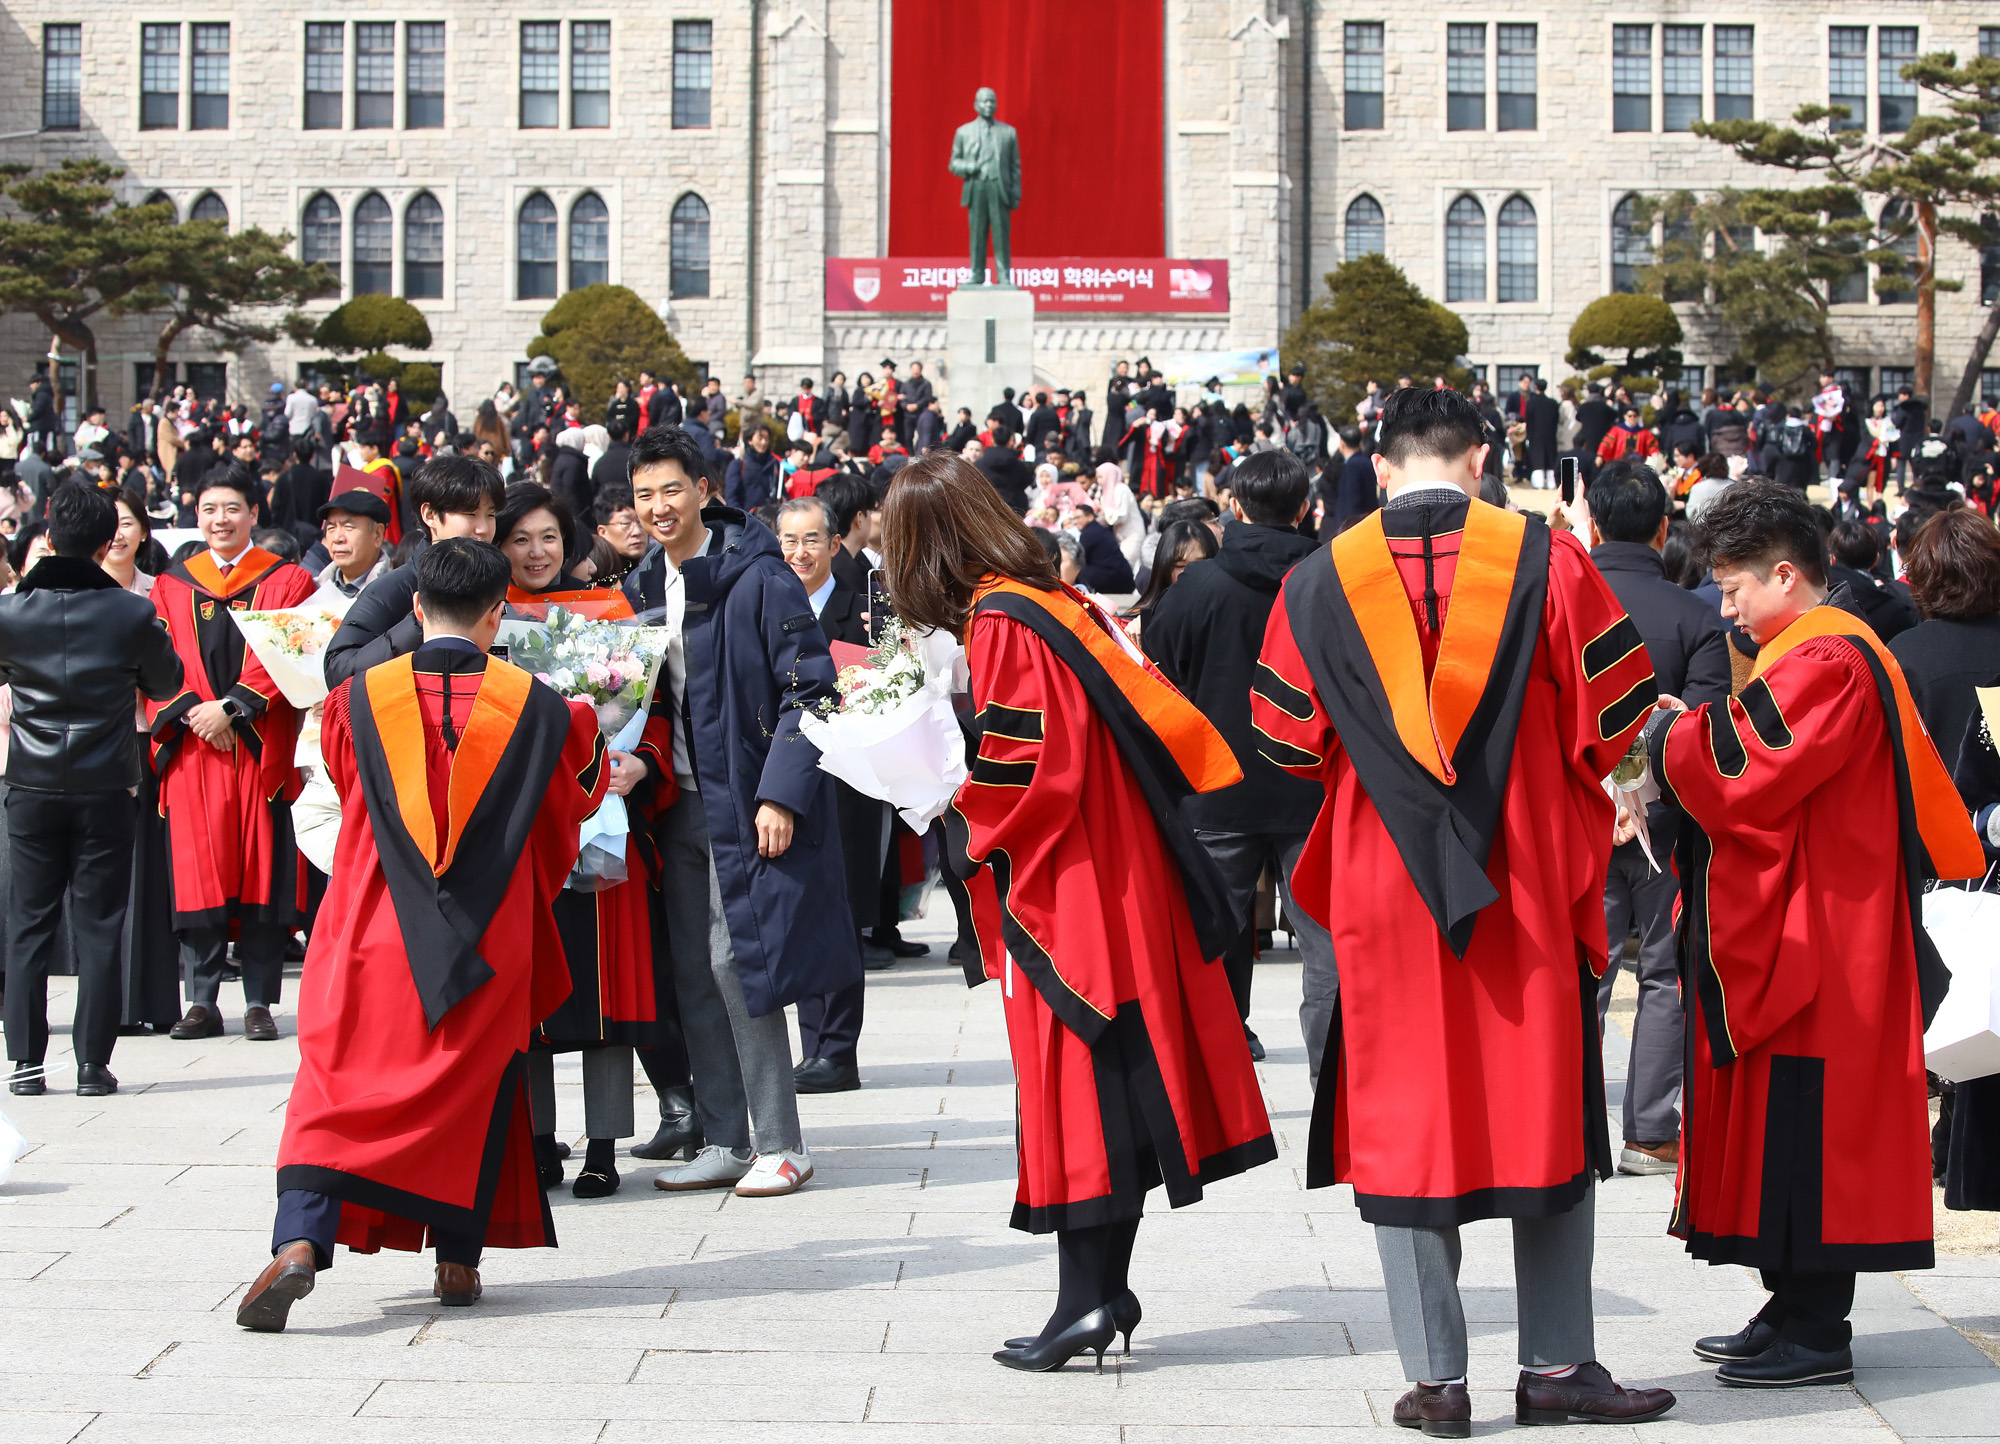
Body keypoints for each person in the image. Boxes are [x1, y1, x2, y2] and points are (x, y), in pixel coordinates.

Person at [1252, 386, 1677, 1431]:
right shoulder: (1551, 561)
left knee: (1406, 1120)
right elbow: (1615, 713)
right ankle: (1555, 1365)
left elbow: (1285, 740)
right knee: (1542, 1108)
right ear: (1481, 460)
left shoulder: (1316, 580)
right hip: (1525, 882)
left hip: (1385, 889)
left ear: (1380, 466)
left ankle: (1437, 1380)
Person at [881, 451, 1273, 1371]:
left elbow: (1032, 768)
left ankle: (1087, 1303)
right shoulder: (1052, 600)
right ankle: (1099, 1294)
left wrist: (949, 800)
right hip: (1116, 863)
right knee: (1108, 1089)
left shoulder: (1003, 622)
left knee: (1081, 1089)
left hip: (1072, 884)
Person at [1638, 481, 1984, 1387]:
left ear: (1786, 575)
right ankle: (1790, 1307)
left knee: (1810, 1130)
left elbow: (1742, 768)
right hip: (1818, 919)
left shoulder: (1826, 661)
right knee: (1786, 1123)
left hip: (1832, 938)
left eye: (1736, 588)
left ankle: (1818, 1330)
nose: (1726, 608)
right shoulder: (1817, 653)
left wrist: (1671, 734)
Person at [236, 539, 609, 1332]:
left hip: (374, 922)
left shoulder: (355, 699)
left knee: (334, 1084)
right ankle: (456, 1261)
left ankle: (301, 1241)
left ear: (414, 607)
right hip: (487, 938)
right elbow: (566, 815)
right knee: (471, 1086)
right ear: (498, 612)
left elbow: (346, 783)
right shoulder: (543, 709)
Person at [622, 424, 859, 1197]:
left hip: (746, 801)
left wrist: (780, 793)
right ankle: (724, 1138)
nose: (658, 507)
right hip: (675, 802)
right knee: (692, 967)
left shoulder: (757, 576)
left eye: (671, 491)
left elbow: (812, 688)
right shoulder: (642, 586)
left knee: (739, 963)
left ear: (704, 492)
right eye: (643, 495)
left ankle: (782, 1142)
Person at [1141, 450, 1338, 1076]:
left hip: (1216, 783)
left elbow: (1160, 682)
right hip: (1313, 782)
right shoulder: (1330, 579)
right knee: (1325, 939)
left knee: (1215, 931)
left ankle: (1217, 1061)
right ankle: (1334, 1068)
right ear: (1304, 509)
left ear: (1234, 506)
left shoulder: (1197, 585)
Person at [1, 485, 182, 1096]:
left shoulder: (11, 611)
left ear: (48, 537)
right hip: (106, 781)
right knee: (101, 924)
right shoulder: (130, 612)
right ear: (109, 543)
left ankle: (25, 1065)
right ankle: (90, 1065)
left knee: (28, 925)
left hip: (30, 779)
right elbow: (167, 679)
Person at [1581, 461, 1732, 1177]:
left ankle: (1572, 1126)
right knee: (1668, 974)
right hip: (1667, 823)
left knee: (1587, 968)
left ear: (1593, 524)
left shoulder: (1559, 602)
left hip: (1578, 813)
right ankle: (1650, 1131)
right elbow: (1702, 728)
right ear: (1663, 529)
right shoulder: (1696, 615)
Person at [148, 466, 319, 1042]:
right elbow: (158, 662)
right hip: (196, 753)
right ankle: (200, 999)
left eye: (231, 509)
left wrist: (234, 707)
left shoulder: (288, 581)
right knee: (201, 870)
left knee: (262, 872)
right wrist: (199, 710)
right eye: (209, 509)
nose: (220, 520)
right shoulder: (172, 585)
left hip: (259, 751)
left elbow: (289, 656)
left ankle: (260, 1002)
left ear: (253, 514)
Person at [775, 495, 881, 1094]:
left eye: (811, 540)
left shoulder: (865, 606)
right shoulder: (770, 604)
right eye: (788, 541)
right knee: (801, 915)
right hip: (791, 780)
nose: (798, 552)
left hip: (849, 783)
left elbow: (892, 683)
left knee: (837, 915)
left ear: (835, 544)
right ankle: (814, 1045)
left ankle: (836, 1051)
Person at [323, 456, 507, 685]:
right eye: (470, 514)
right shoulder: (395, 588)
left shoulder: (499, 580)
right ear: (430, 515)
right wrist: (428, 617)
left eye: (490, 515)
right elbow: (338, 669)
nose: (483, 529)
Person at [315, 489, 392, 599]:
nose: (337, 538)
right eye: (331, 527)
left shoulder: (396, 593)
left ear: (377, 534)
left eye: (348, 527)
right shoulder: (313, 589)